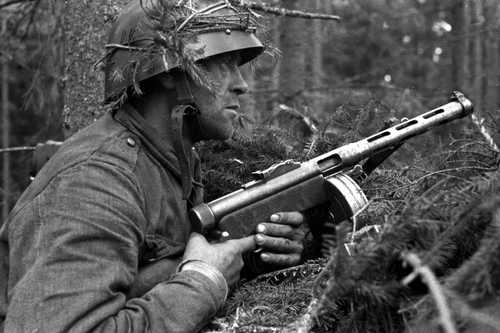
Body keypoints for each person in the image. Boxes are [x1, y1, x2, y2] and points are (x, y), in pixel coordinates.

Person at [0, 1, 307, 332]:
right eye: (222, 64)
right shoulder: (94, 183)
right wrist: (204, 281)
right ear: (169, 75)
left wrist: (250, 254)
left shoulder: (168, 157)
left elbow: (164, 268)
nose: (241, 85)